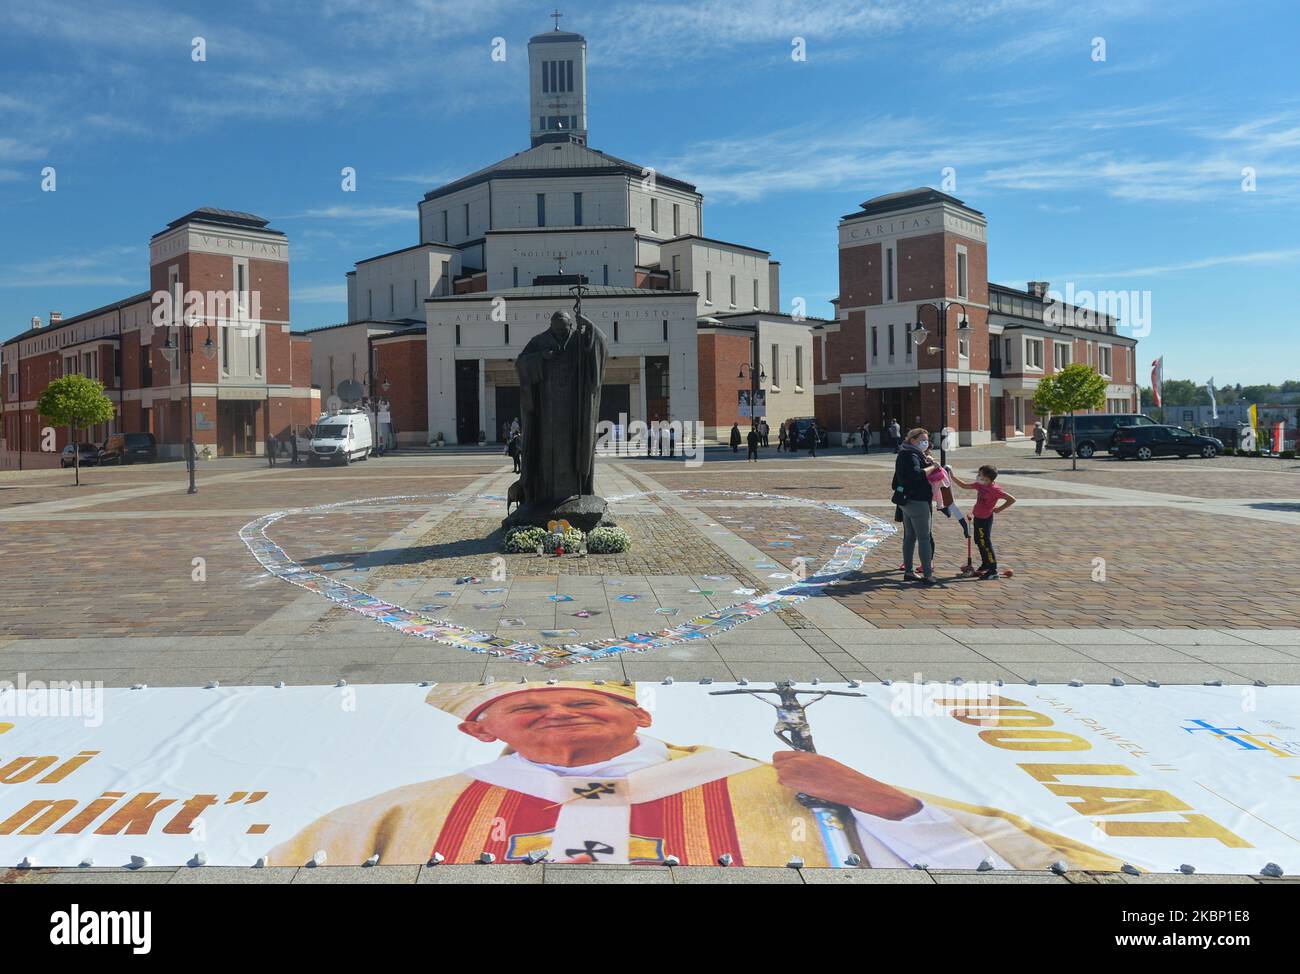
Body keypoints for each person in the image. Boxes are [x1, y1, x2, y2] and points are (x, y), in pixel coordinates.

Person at [268, 681, 1118, 869]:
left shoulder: (769, 782)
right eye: (529, 705)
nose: (560, 714)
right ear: (475, 724)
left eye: (585, 699)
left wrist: (888, 805)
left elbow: (1029, 865)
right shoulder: (394, 818)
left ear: (641, 716)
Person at [950, 464, 1016, 579]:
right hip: (978, 518)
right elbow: (964, 486)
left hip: (985, 519)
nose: (978, 476)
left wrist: (999, 509)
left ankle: (993, 569)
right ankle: (985, 564)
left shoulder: (995, 489)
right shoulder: (979, 485)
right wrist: (952, 476)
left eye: (980, 475)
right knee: (979, 541)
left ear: (988, 478)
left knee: (985, 543)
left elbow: (1011, 499)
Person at [893, 428, 938, 584]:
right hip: (917, 501)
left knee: (910, 537)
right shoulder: (911, 455)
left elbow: (897, 480)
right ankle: (927, 574)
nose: (925, 443)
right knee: (924, 538)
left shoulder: (904, 453)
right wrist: (933, 467)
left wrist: (926, 462)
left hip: (905, 502)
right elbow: (916, 475)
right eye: (922, 440)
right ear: (913, 440)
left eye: (927, 440)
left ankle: (909, 571)